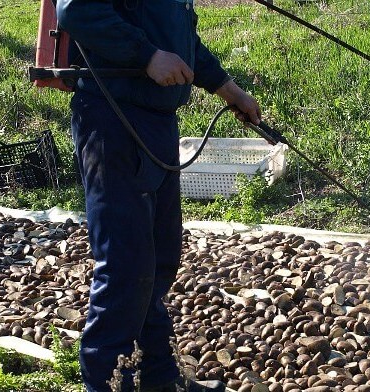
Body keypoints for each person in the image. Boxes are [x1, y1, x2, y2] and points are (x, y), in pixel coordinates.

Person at [56, 1, 261, 391]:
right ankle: (107, 383)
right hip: (112, 119)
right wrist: (147, 56)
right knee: (125, 265)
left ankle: (158, 378)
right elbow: (77, 10)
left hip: (157, 122)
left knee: (161, 257)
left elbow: (182, 42)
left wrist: (229, 89)